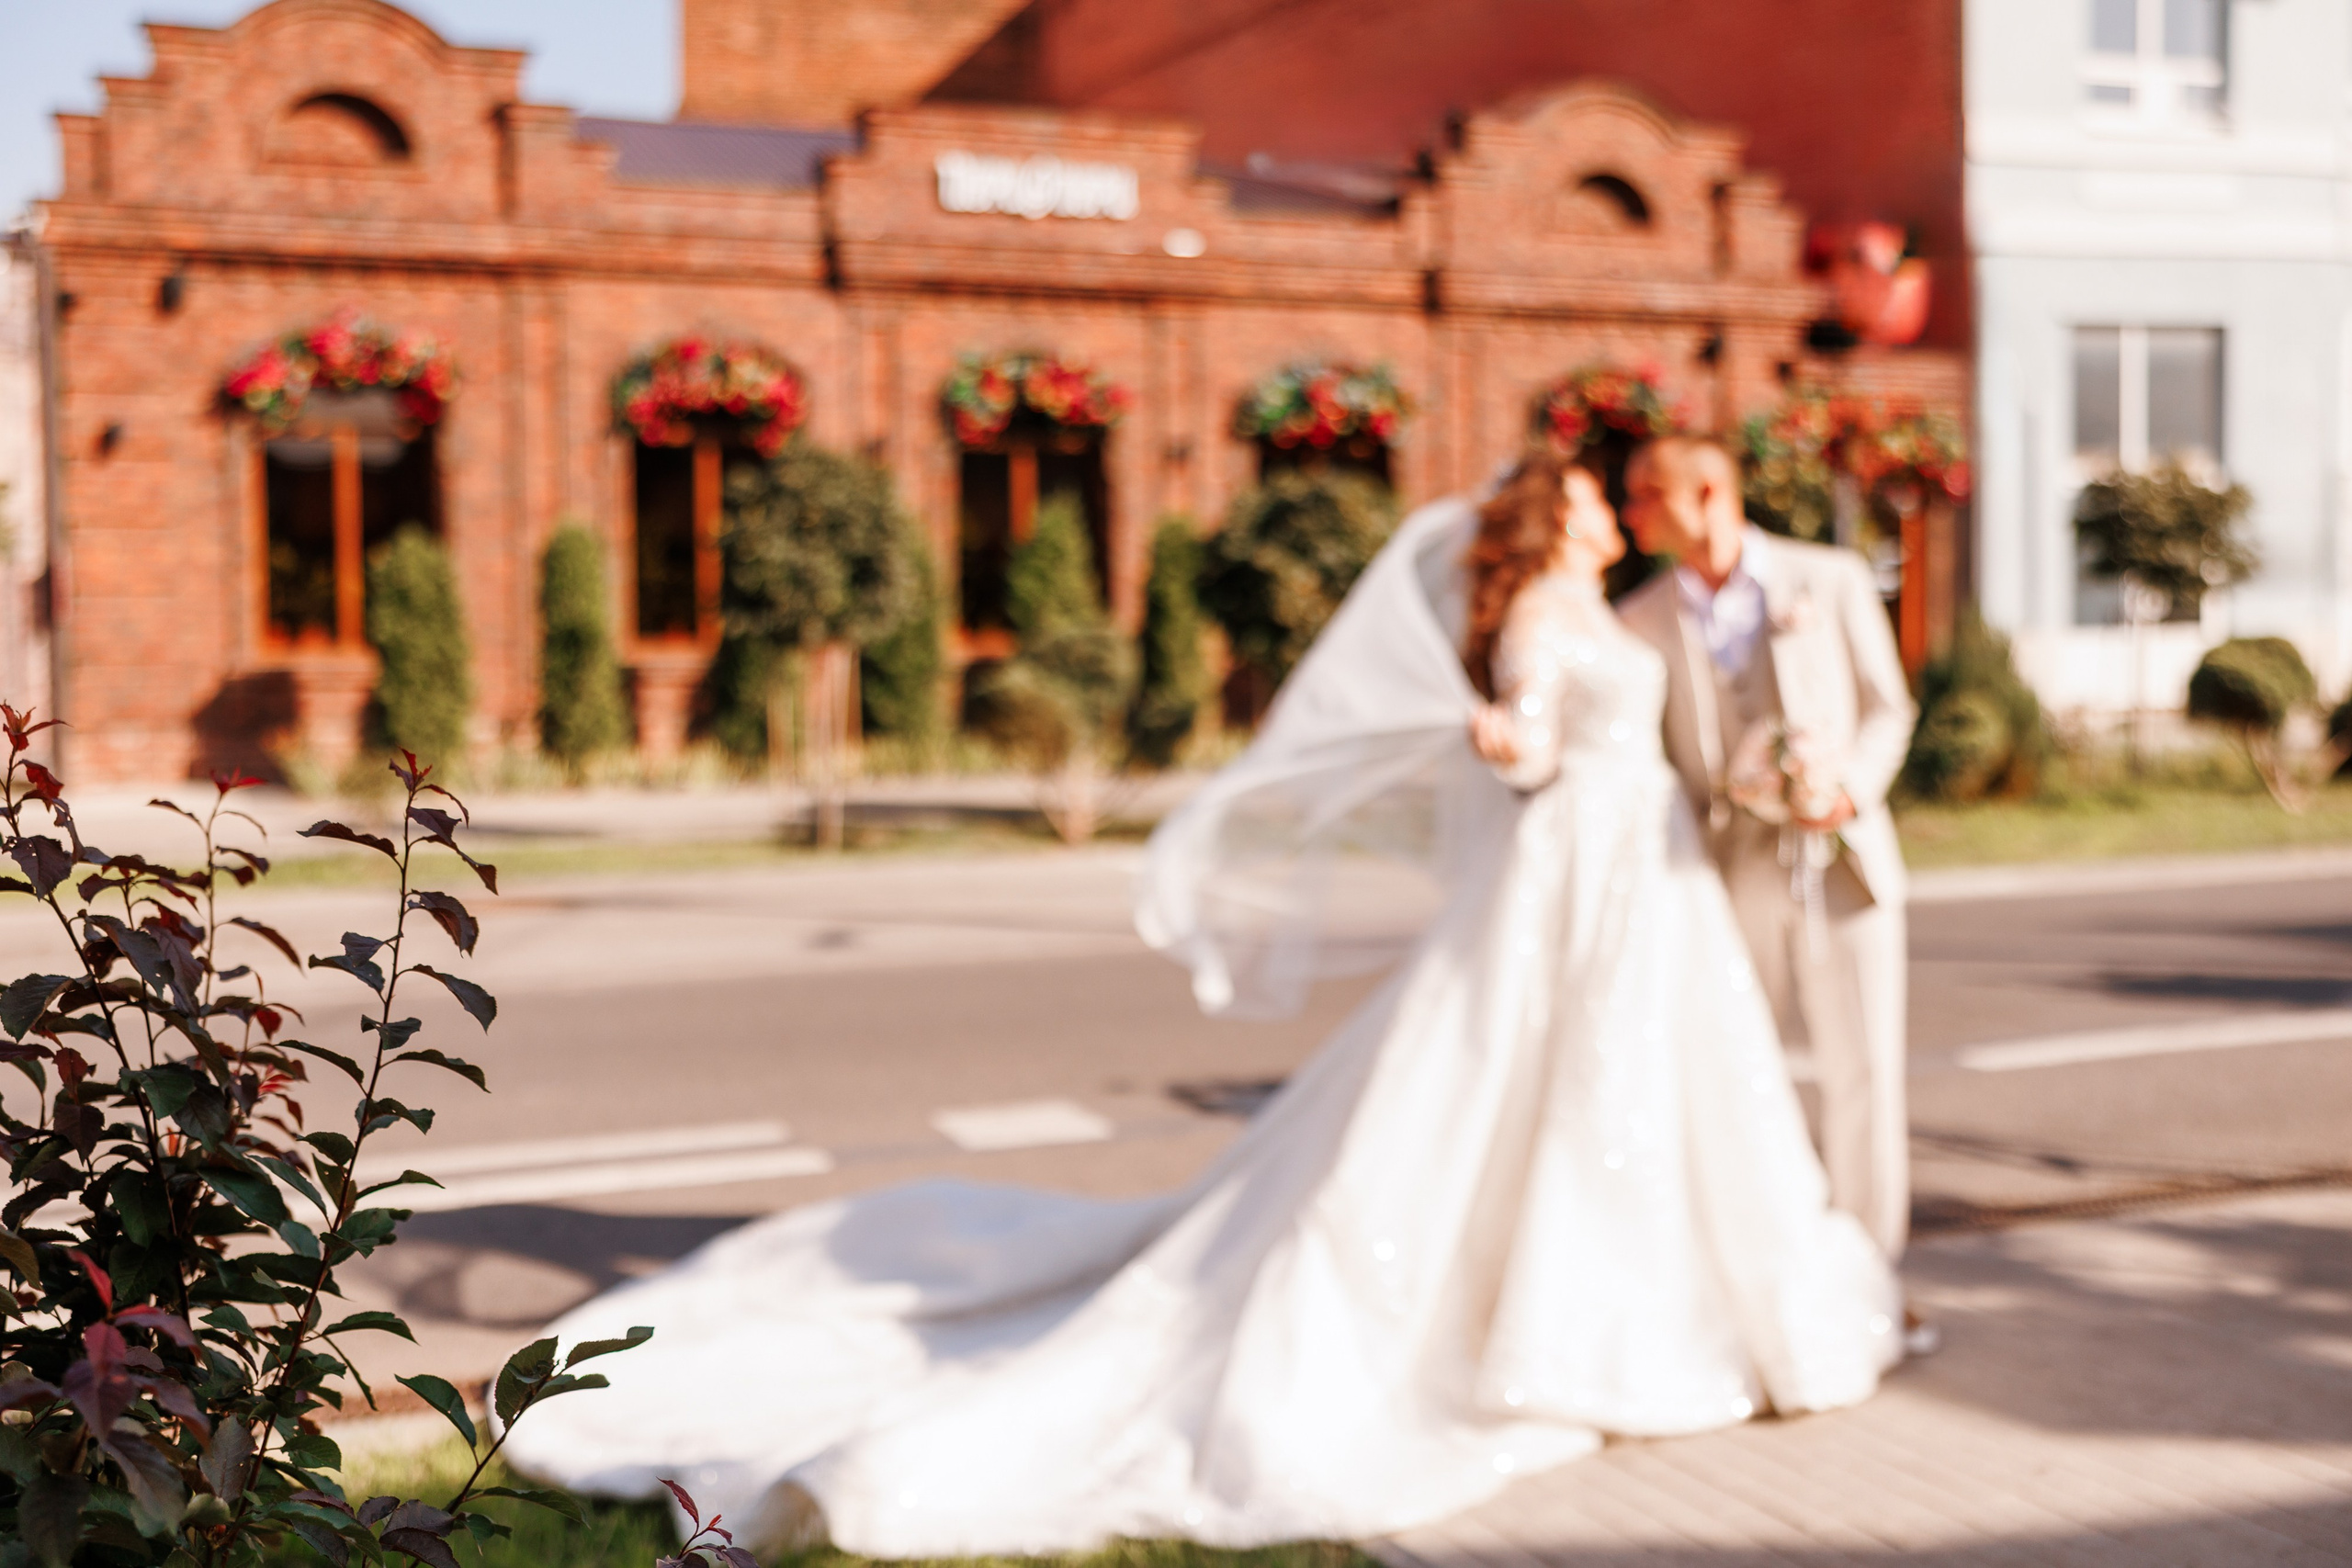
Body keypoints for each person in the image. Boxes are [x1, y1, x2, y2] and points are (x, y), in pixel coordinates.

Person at [501, 450, 1902, 1558]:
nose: (1611, 510)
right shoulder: (1547, 614)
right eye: (1594, 496)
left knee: (1649, 1093)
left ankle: (1678, 1308)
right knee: (1541, 1089)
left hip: (1650, 880)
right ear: (1553, 522)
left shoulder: (1615, 607)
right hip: (1580, 874)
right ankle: (1579, 1330)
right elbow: (1530, 731)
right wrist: (1513, 743)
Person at [1616, 435, 1917, 1269]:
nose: (1631, 511)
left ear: (1709, 492)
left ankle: (1871, 1271)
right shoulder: (1640, 617)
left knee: (1864, 1074)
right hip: (1727, 875)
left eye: (1647, 493)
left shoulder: (1830, 579)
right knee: (1745, 1076)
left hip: (1844, 866)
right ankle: (1772, 1267)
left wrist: (1848, 787)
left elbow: (1888, 708)